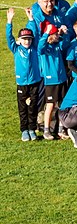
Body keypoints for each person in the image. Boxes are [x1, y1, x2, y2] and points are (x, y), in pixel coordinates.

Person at [6, 9, 42, 141]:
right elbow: (9, 38)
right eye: (24, 39)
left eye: (29, 39)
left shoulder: (34, 48)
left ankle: (32, 129)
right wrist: (9, 22)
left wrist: (31, 19)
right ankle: (24, 130)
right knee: (23, 108)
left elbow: (36, 33)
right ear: (19, 40)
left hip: (34, 82)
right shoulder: (16, 49)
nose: (27, 41)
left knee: (33, 106)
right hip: (21, 83)